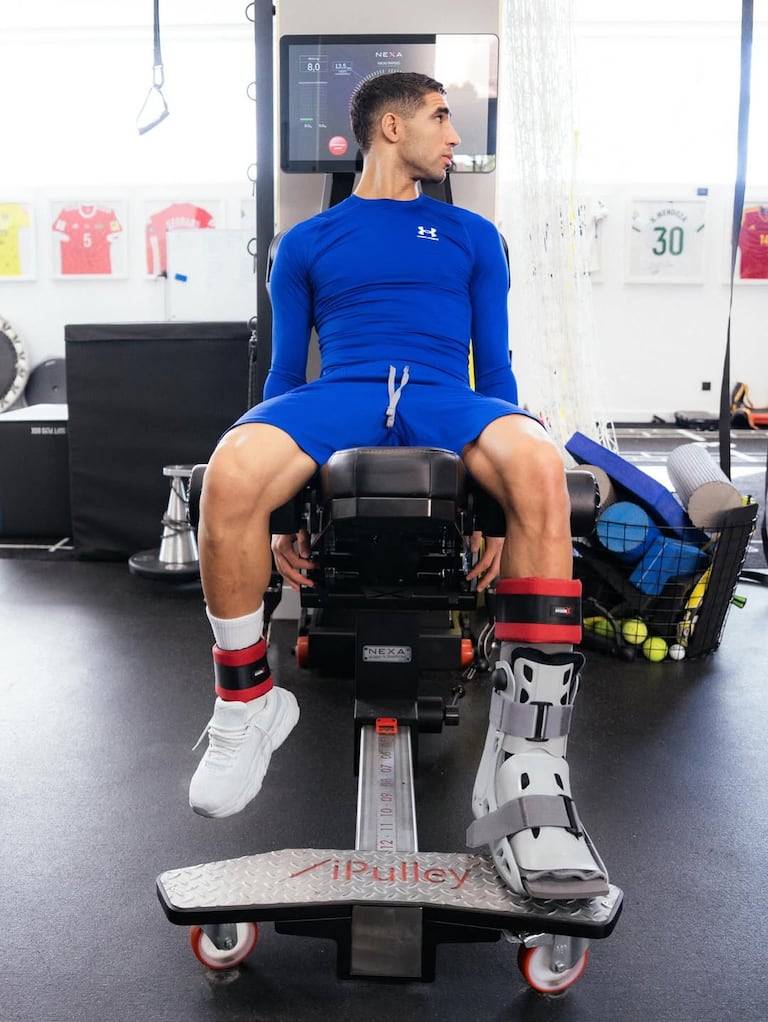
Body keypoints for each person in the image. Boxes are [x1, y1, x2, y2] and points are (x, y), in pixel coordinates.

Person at [189, 72, 608, 900]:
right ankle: (247, 705)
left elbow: (497, 370)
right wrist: (277, 505)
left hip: (445, 393)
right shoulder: (306, 242)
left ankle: (526, 757)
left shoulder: (473, 235)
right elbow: (283, 374)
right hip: (342, 389)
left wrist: (499, 506)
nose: (453, 136)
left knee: (538, 463)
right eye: (441, 117)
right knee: (230, 466)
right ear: (390, 127)